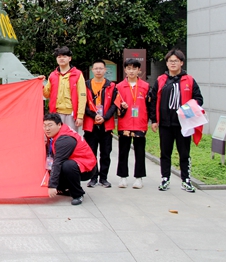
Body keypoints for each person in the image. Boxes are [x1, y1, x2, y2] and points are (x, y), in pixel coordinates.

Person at [148, 49, 204, 193]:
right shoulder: (161, 80)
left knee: (184, 153)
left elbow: (199, 99)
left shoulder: (189, 80)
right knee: (165, 153)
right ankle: (165, 178)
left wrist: (188, 108)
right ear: (167, 63)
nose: (173, 63)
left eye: (176, 61)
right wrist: (154, 120)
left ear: (181, 63)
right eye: (170, 61)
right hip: (165, 124)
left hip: (183, 125)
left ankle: (186, 180)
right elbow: (153, 100)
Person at [43, 113, 96, 206]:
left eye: (50, 125)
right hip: (70, 161)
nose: (47, 129)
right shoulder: (57, 132)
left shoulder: (65, 138)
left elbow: (58, 162)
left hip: (86, 168)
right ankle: (64, 189)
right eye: (44, 125)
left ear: (59, 125)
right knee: (55, 165)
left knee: (67, 166)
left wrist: (52, 186)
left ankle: (78, 194)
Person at [83, 60, 118, 188]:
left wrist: (105, 117)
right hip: (90, 125)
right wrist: (94, 115)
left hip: (106, 125)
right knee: (91, 153)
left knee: (105, 153)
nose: (98, 70)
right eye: (96, 68)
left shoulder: (111, 86)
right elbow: (83, 104)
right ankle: (93, 178)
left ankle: (104, 178)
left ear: (105, 70)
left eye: (101, 68)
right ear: (92, 70)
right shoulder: (86, 85)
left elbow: (115, 104)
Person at [116, 58, 150, 189]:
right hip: (125, 123)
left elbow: (149, 105)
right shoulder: (119, 87)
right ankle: (122, 177)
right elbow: (115, 105)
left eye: (134, 68)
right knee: (123, 151)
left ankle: (139, 178)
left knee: (140, 152)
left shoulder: (145, 86)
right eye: (129, 68)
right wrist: (121, 106)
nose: (131, 71)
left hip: (140, 123)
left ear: (139, 70)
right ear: (125, 70)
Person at [42, 46, 87, 131]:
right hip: (56, 113)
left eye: (64, 56)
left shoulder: (77, 74)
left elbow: (82, 96)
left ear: (70, 58)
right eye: (59, 56)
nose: (61, 59)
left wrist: (80, 116)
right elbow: (47, 94)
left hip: (71, 114)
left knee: (70, 137)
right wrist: (40, 84)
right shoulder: (53, 75)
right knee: (56, 136)